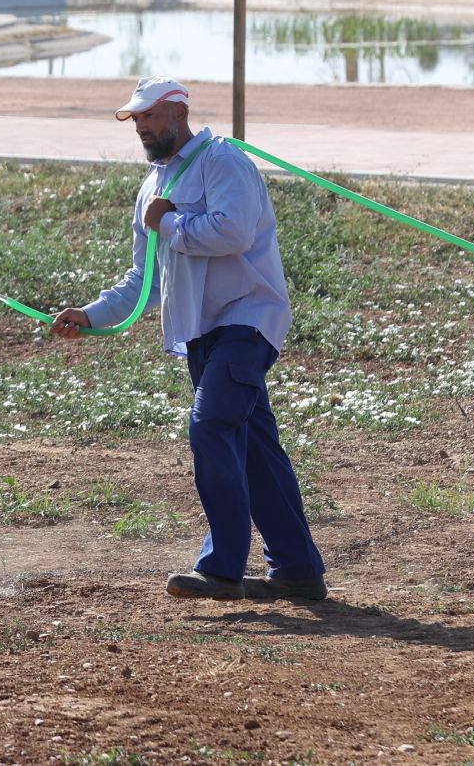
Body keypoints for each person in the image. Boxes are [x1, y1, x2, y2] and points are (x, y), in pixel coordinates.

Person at [52, 77, 327, 603]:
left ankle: (222, 568)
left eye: (150, 116)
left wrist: (172, 222)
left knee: (210, 425)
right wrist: (89, 315)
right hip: (201, 333)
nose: (142, 127)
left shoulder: (222, 162)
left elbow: (233, 233)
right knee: (255, 451)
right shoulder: (151, 188)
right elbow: (145, 280)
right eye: (136, 119)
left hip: (247, 321)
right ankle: (297, 569)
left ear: (178, 111)